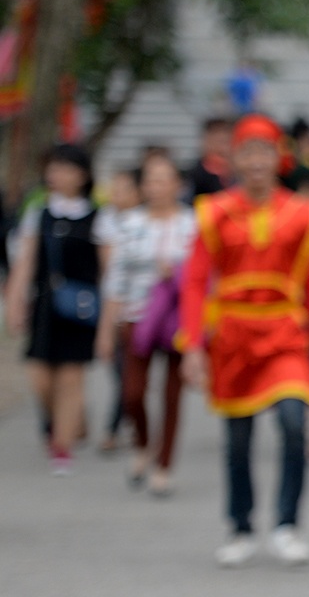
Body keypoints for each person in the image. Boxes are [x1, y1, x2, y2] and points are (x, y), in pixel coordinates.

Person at [178, 115, 309, 568]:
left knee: (293, 421)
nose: (255, 161)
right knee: (237, 437)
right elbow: (194, 283)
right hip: (232, 334)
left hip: (285, 332)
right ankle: (241, 525)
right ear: (233, 157)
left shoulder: (303, 215)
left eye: (264, 151)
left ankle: (287, 524)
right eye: (246, 151)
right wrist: (191, 344)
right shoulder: (214, 212)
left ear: (278, 157)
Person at [6, 143, 111, 474]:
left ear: (82, 175)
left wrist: (109, 319)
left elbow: (108, 272)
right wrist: (14, 301)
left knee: (70, 378)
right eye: (54, 168)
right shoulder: (39, 214)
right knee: (40, 378)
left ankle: (62, 446)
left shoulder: (98, 217)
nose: (57, 175)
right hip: (45, 306)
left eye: (65, 168)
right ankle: (64, 422)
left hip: (81, 308)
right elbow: (24, 263)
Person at [103, 152, 196, 495]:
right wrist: (106, 328)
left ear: (177, 184)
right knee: (132, 393)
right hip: (137, 317)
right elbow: (115, 279)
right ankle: (143, 442)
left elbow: (206, 276)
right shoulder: (130, 224)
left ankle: (164, 465)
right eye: (150, 180)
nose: (155, 187)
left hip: (178, 320)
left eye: (163, 179)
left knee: (173, 396)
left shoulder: (193, 224)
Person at [94, 167, 142, 453]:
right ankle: (126, 424)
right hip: (115, 305)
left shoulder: (147, 221)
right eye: (114, 189)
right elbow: (110, 269)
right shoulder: (107, 221)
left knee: (131, 373)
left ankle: (120, 427)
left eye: (123, 189)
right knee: (121, 372)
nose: (116, 195)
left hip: (143, 309)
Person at [187, 117, 233, 198]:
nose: (222, 148)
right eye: (217, 141)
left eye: (225, 141)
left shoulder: (239, 174)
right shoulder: (195, 176)